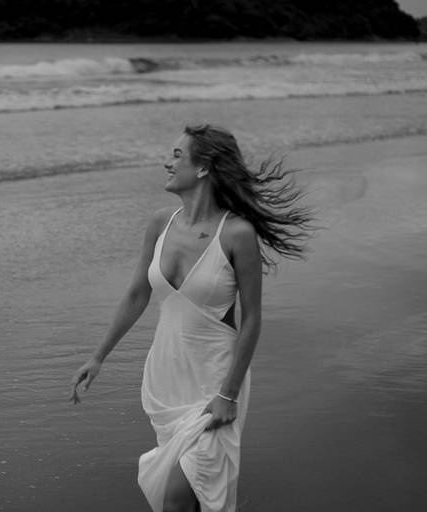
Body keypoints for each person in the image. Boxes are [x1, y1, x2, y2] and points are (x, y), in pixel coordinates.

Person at [69, 124, 315, 512]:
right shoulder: (160, 223)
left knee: (179, 499)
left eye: (177, 155)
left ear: (203, 168)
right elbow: (137, 294)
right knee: (191, 499)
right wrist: (98, 356)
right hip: (167, 377)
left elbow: (252, 319)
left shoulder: (236, 234)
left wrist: (228, 394)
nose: (167, 163)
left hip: (216, 379)